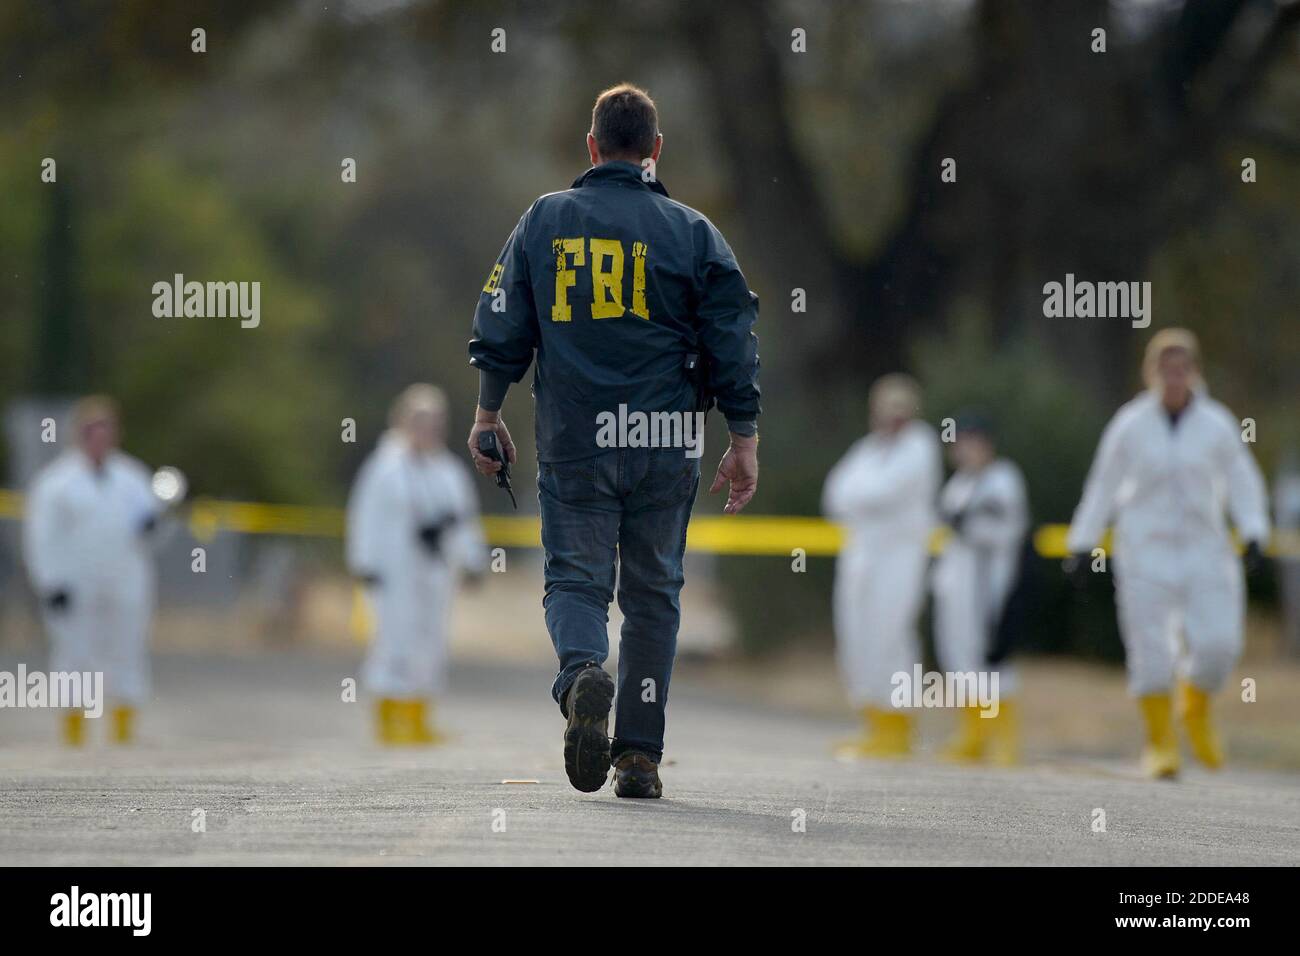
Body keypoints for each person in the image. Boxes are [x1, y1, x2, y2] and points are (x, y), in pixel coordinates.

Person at [466, 83, 760, 798]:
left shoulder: (544, 221)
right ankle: (638, 756)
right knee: (655, 595)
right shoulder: (693, 233)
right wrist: (743, 436)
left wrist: (487, 412)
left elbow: (503, 323)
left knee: (575, 582)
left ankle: (579, 678)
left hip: (576, 438)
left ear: (592, 147)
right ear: (655, 152)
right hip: (667, 440)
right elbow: (733, 341)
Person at [1065, 328, 1269, 778]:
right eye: (1165, 368)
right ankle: (1160, 743)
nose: (1174, 378)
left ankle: (1194, 708)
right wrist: (1083, 541)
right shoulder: (1129, 425)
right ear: (1151, 372)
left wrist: (1254, 529)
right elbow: (1102, 484)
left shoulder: (1217, 424)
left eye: (1182, 369)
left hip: (1205, 551)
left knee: (1218, 646)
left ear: (1194, 372)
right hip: (1145, 552)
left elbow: (1242, 480)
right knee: (1151, 651)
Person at [347, 384, 488, 746]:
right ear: (403, 419)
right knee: (393, 641)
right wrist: (364, 562)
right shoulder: (384, 467)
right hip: (393, 572)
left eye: (435, 421)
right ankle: (389, 719)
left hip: (434, 571)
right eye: (421, 420)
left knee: (430, 643)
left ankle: (420, 718)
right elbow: (364, 516)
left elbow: (464, 519)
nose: (428, 428)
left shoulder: (447, 471)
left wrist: (472, 560)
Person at [23, 396, 164, 745]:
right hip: (74, 583)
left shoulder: (133, 477)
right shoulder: (55, 483)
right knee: (74, 654)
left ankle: (123, 737)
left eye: (106, 429)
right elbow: (41, 537)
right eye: (91, 430)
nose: (99, 437)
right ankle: (74, 740)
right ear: (78, 434)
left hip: (125, 579)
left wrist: (152, 528)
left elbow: (154, 529)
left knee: (127, 652)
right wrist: (50, 582)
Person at [823, 374, 940, 758]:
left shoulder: (920, 444)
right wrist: (861, 498)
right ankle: (874, 723)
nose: (892, 417)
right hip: (861, 557)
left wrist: (859, 498)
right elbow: (834, 494)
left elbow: (884, 492)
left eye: (900, 408)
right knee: (857, 637)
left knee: (891, 636)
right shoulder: (869, 448)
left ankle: (899, 727)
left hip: (900, 558)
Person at [931, 414, 1029, 764]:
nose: (965, 449)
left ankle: (1003, 737)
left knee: (990, 660)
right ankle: (973, 733)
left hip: (987, 583)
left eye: (973, 440)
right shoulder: (959, 483)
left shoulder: (1002, 478)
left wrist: (969, 526)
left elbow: (1006, 530)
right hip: (956, 584)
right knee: (959, 659)